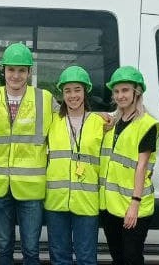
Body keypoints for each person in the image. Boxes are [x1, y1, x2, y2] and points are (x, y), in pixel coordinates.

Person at [0, 43, 56, 265]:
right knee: (3, 249)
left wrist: (112, 116)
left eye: (22, 70)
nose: (16, 75)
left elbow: (73, 114)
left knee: (31, 250)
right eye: (11, 69)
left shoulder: (44, 98)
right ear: (3, 70)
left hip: (31, 189)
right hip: (0, 186)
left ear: (29, 72)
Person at [44, 66, 106, 265]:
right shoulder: (52, 121)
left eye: (77, 90)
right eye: (67, 91)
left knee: (86, 258)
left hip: (86, 202)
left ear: (85, 91)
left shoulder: (100, 122)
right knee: (59, 258)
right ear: (62, 94)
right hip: (56, 201)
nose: (72, 96)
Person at [99, 66, 159, 265]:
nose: (120, 96)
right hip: (110, 205)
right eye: (116, 91)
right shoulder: (112, 123)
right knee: (118, 257)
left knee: (131, 258)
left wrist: (134, 205)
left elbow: (141, 166)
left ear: (137, 92)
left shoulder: (147, 124)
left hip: (134, 205)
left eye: (125, 90)